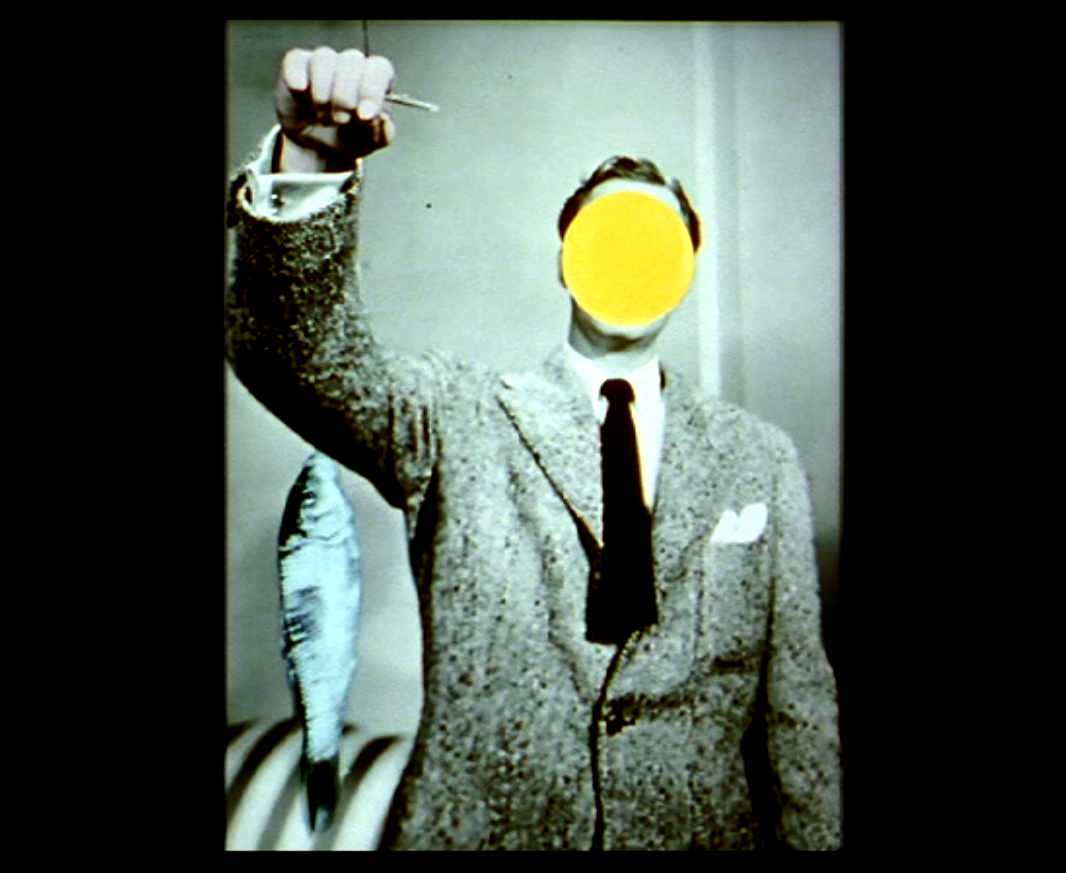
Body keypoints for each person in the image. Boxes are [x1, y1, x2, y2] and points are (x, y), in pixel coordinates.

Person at [225, 46, 841, 850]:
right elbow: (293, 356)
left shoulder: (760, 458)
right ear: (564, 260)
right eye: (606, 233)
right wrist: (310, 162)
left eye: (656, 239)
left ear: (686, 270)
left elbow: (800, 716)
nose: (630, 254)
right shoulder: (455, 416)